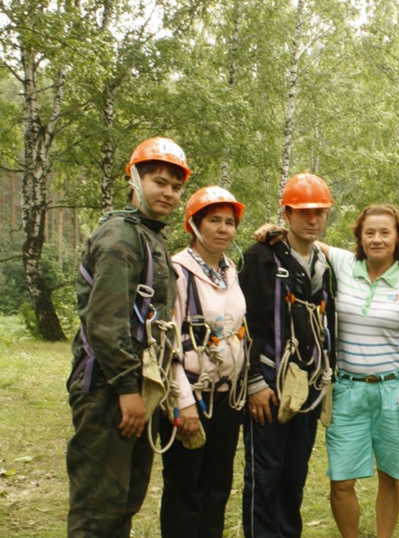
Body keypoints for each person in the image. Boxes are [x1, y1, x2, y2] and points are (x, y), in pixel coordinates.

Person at [66, 137, 191, 536]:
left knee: (125, 499)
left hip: (135, 386)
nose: (169, 193)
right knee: (98, 507)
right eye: (160, 182)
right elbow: (106, 321)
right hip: (108, 389)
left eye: (176, 186)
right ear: (134, 179)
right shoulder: (121, 237)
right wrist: (126, 390)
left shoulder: (149, 235)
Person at [322, 204, 399, 538]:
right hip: (347, 389)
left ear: (398, 236)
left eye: (385, 232)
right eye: (369, 232)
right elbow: (307, 238)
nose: (377, 239)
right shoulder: (343, 264)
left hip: (394, 390)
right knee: (341, 478)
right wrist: (272, 231)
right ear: (359, 236)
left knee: (390, 473)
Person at [241, 173, 337, 537]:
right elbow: (248, 324)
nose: (312, 220)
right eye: (303, 212)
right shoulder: (262, 257)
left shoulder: (323, 265)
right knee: (264, 476)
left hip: (308, 389)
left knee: (293, 476)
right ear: (286, 213)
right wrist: (252, 382)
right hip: (268, 384)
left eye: (320, 212)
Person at [159, 186, 248, 538]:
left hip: (226, 397)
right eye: (214, 220)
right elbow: (166, 343)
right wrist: (183, 403)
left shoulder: (229, 270)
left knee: (217, 485)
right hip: (191, 395)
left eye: (230, 222)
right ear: (193, 225)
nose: (224, 229)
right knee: (185, 487)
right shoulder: (177, 272)